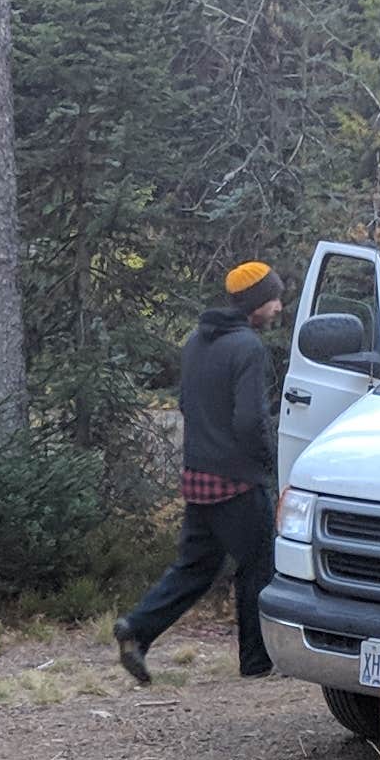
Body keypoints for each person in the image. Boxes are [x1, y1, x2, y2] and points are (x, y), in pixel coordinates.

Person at [116, 260, 286, 685]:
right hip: (237, 482)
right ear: (256, 304)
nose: (280, 307)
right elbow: (250, 420)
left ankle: (137, 629)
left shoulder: (196, 341)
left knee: (195, 567)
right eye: (274, 298)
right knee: (258, 566)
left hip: (198, 476)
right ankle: (257, 661)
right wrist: (268, 461)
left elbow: (187, 405)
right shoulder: (247, 347)